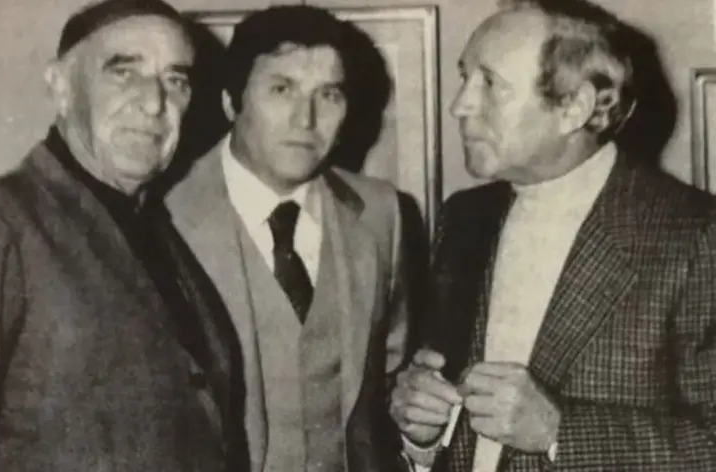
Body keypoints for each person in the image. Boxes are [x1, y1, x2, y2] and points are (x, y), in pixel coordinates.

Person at [0, 0, 245, 470]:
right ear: (61, 86)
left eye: (176, 80)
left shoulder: (155, 234)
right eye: (123, 72)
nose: (155, 103)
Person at [390, 0, 716, 471]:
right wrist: (421, 435)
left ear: (574, 108)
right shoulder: (465, 218)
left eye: (491, 84)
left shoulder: (696, 236)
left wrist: (560, 432)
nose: (460, 105)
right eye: (465, 77)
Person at [166, 5, 410, 472]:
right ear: (231, 102)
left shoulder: (382, 213)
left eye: (329, 95)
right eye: (282, 89)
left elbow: (390, 380)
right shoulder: (162, 217)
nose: (306, 119)